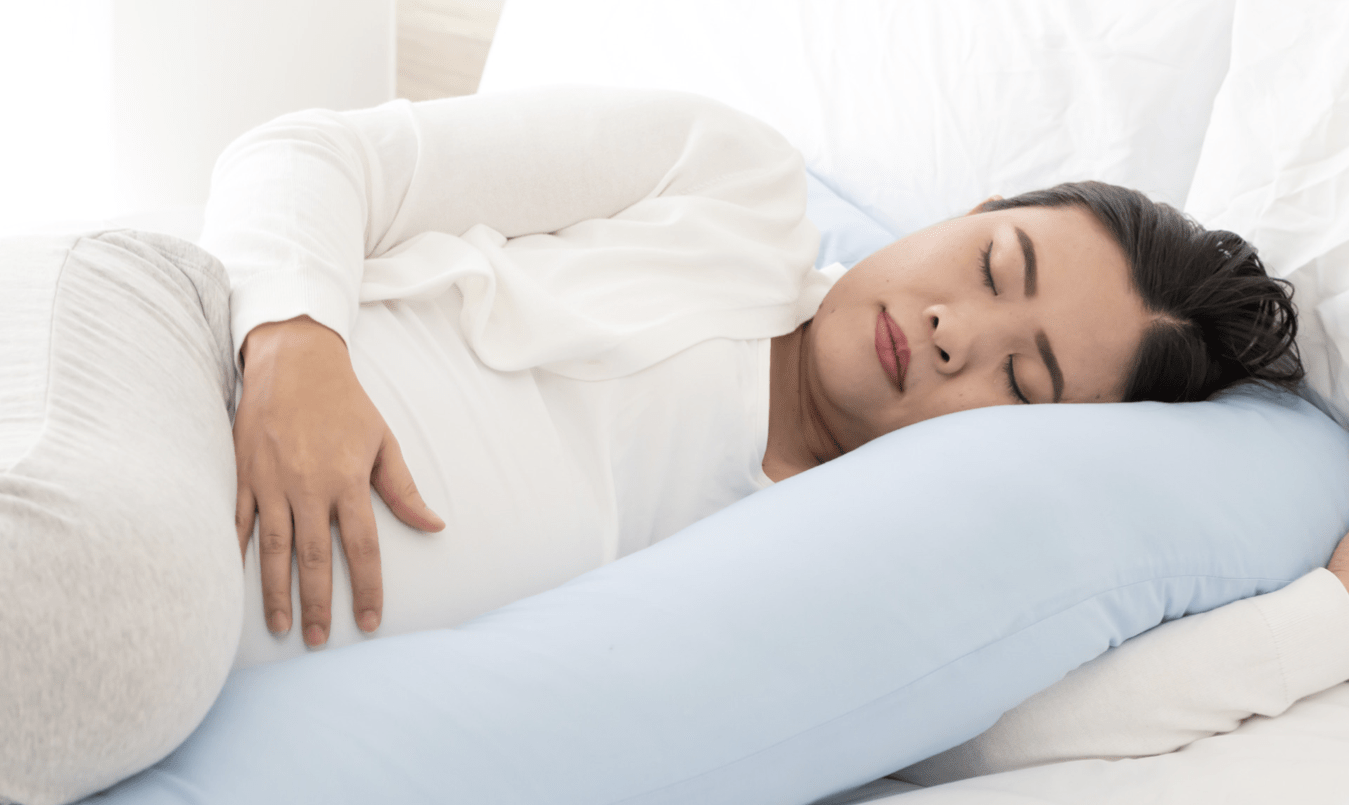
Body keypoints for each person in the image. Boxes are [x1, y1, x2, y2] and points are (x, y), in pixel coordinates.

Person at [200, 86, 1303, 668]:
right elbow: (309, 156)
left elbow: (1037, 721)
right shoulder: (732, 180)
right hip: (187, 375)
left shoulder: (849, 564)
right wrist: (296, 346)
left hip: (189, 632)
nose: (949, 329)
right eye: (986, 266)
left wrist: (1330, 609)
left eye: (1021, 381)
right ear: (966, 215)